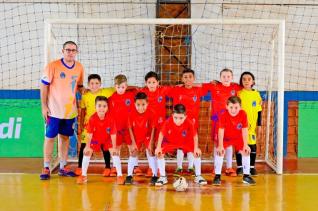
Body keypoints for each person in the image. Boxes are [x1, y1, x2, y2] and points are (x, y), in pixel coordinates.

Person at [40, 41, 84, 180]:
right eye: (68, 50)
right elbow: (44, 86)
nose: (70, 52)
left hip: (69, 111)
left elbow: (80, 87)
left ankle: (63, 166)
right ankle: (46, 167)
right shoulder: (53, 66)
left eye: (73, 50)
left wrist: (87, 99)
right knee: (50, 138)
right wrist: (44, 106)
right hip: (53, 110)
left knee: (65, 138)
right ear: (62, 51)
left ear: (76, 52)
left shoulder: (79, 67)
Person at [155, 104, 207, 186]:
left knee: (197, 153)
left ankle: (198, 176)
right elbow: (161, 134)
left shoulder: (189, 122)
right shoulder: (168, 121)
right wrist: (158, 147)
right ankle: (162, 177)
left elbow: (195, 136)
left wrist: (196, 148)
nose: (178, 121)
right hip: (170, 142)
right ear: (172, 115)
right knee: (159, 153)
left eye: (181, 118)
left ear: (185, 116)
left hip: (185, 142)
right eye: (175, 118)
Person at [202, 68, 241, 176]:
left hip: (230, 120)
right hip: (217, 119)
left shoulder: (235, 87)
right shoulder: (214, 86)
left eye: (228, 76)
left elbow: (247, 87)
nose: (226, 78)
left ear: (232, 78)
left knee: (228, 144)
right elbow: (199, 85)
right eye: (224, 76)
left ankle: (229, 167)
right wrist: (183, 84)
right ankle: (216, 167)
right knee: (217, 143)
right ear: (220, 78)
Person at [75, 74, 116, 177]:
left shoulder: (106, 92)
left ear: (100, 84)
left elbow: (120, 86)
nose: (94, 85)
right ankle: (80, 167)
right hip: (89, 126)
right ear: (88, 85)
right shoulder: (85, 95)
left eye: (97, 83)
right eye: (92, 83)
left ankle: (107, 167)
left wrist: (136, 87)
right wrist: (80, 125)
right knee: (84, 145)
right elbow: (83, 111)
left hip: (102, 125)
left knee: (104, 145)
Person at [212, 96, 255, 185]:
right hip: (226, 138)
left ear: (240, 107)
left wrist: (245, 144)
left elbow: (244, 129)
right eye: (231, 107)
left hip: (238, 138)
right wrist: (220, 145)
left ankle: (246, 176)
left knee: (246, 151)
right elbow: (221, 130)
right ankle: (217, 176)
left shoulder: (243, 114)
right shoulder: (223, 115)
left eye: (236, 107)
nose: (233, 110)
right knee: (219, 152)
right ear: (227, 106)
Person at [170, 68, 206, 175]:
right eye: (185, 77)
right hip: (179, 124)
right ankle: (179, 167)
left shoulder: (198, 90)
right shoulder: (176, 90)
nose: (188, 79)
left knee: (191, 145)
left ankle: (191, 166)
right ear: (182, 79)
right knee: (180, 145)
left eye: (190, 77)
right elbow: (163, 89)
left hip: (193, 124)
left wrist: (197, 84)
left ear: (194, 78)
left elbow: (210, 86)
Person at [141, 71, 173, 177]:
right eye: (149, 82)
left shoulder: (163, 90)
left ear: (158, 82)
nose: (151, 84)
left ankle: (159, 169)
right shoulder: (143, 92)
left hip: (161, 125)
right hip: (148, 125)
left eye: (153, 82)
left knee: (159, 147)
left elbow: (177, 88)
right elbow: (129, 89)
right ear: (146, 83)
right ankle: (151, 168)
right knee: (149, 147)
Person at [108, 74, 137, 184]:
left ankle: (132, 171)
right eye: (118, 87)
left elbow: (138, 89)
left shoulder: (131, 95)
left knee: (133, 149)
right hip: (116, 130)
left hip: (129, 128)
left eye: (123, 87)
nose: (121, 89)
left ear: (126, 86)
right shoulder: (111, 98)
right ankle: (117, 170)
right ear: (115, 86)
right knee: (116, 150)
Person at [125, 92, 157, 185]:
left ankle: (155, 175)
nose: (141, 107)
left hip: (147, 136)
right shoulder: (131, 114)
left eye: (143, 104)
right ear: (134, 104)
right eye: (138, 105)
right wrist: (133, 143)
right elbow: (130, 128)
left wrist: (151, 143)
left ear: (147, 104)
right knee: (133, 152)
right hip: (136, 136)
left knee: (151, 152)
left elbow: (153, 128)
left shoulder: (151, 113)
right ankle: (129, 176)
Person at [236, 72, 262, 176]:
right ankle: (240, 167)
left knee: (252, 145)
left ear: (253, 81)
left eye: (249, 79)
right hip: (239, 125)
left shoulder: (256, 94)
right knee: (239, 145)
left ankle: (251, 167)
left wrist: (259, 125)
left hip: (251, 126)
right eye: (244, 79)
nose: (246, 81)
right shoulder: (239, 94)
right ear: (241, 82)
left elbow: (259, 111)